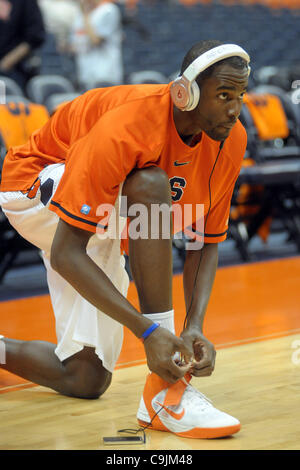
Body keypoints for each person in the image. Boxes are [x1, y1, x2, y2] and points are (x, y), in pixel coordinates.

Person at [0, 40, 249, 439]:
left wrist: (194, 326)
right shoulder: (131, 123)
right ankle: (167, 393)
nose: (234, 109)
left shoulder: (230, 141)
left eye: (240, 95)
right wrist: (148, 332)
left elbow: (205, 241)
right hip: (34, 184)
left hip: (102, 219)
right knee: (150, 184)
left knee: (85, 377)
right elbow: (66, 252)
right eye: (223, 95)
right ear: (186, 92)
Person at [69, 0, 124, 89]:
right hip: (85, 71)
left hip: (105, 72)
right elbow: (75, 43)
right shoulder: (80, 14)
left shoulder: (108, 10)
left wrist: (86, 16)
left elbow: (96, 40)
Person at [0, 0, 45, 89]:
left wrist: (5, 64)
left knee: (10, 100)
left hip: (14, 69)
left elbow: (35, 36)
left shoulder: (25, 2)